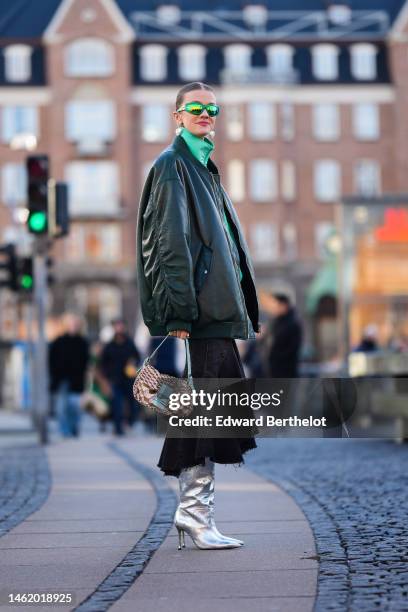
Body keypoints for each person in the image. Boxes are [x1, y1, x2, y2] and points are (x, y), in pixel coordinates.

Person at [136, 81, 260, 550]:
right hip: (199, 316)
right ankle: (194, 516)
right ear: (177, 116)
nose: (205, 114)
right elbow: (168, 244)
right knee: (204, 417)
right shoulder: (173, 167)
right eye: (195, 108)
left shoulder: (204, 167)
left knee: (205, 415)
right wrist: (180, 312)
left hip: (213, 315)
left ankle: (195, 516)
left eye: (212, 108)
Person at [49, 313, 89, 437]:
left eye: (75, 324)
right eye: (71, 324)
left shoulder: (82, 343)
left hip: (77, 381)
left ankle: (73, 428)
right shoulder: (58, 342)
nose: (73, 326)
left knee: (74, 407)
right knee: (61, 408)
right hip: (61, 380)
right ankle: (64, 430)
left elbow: (85, 363)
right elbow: (51, 361)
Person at [100, 318, 141, 436]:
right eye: (117, 326)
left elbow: (137, 357)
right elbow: (103, 362)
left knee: (133, 404)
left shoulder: (130, 343)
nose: (119, 328)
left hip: (129, 379)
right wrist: (106, 377)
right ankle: (118, 429)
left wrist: (133, 363)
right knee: (116, 404)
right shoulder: (109, 345)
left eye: (121, 325)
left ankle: (130, 422)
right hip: (115, 379)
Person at [263, 293, 303, 378]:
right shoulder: (275, 322)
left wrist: (276, 356)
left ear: (284, 305)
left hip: (286, 371)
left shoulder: (293, 323)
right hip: (274, 370)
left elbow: (292, 348)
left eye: (276, 305)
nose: (273, 308)